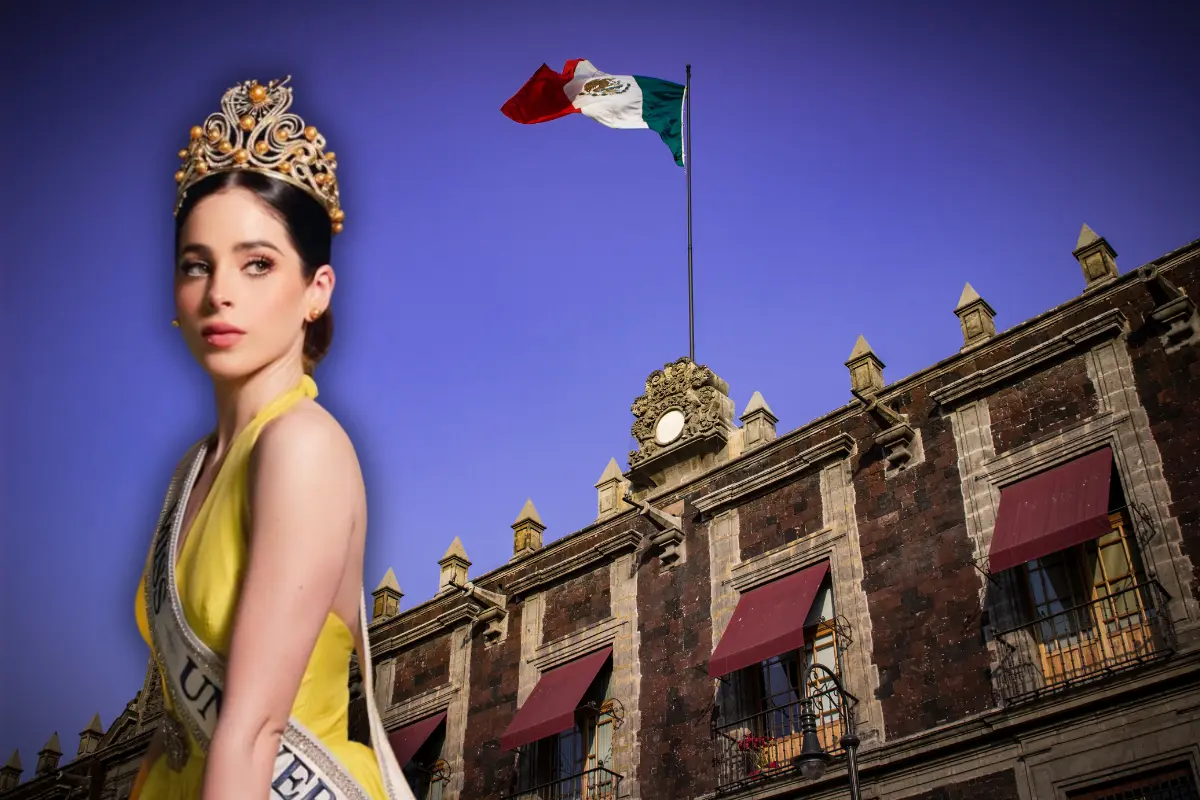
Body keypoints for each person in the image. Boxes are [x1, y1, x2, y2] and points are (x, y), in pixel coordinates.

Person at [130, 76, 413, 800]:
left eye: (257, 264)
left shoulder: (301, 446)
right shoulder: (193, 469)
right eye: (198, 264)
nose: (220, 291)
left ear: (317, 290)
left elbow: (254, 732)